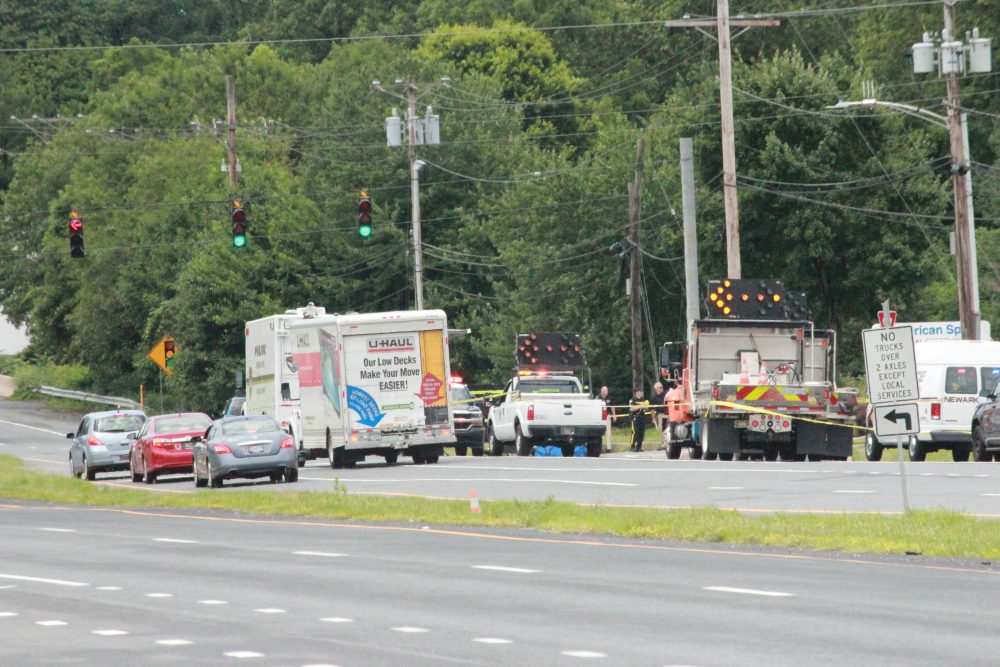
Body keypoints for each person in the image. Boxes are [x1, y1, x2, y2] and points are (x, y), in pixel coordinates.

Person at [628, 388, 651, 452]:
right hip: (635, 417)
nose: (642, 393)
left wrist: (646, 406)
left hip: (642, 417)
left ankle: (639, 447)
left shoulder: (644, 400)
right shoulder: (632, 400)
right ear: (637, 393)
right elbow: (631, 409)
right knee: (635, 432)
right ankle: (632, 446)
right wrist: (641, 406)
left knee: (641, 432)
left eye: (642, 392)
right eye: (640, 392)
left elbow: (646, 408)